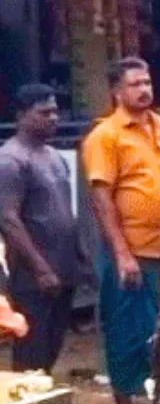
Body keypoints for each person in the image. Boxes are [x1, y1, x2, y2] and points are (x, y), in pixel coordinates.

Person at [81, 58, 160, 404]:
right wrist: (122, 253)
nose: (144, 89)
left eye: (147, 81)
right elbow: (101, 198)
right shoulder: (106, 136)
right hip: (130, 252)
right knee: (127, 332)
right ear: (117, 91)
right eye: (135, 84)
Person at [0, 84, 86, 372]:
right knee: (31, 351)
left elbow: (64, 211)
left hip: (63, 270)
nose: (53, 118)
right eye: (44, 112)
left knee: (51, 348)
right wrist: (40, 269)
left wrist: (79, 257)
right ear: (22, 115)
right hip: (32, 277)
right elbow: (9, 220)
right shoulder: (11, 160)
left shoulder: (55, 157)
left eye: (55, 111)